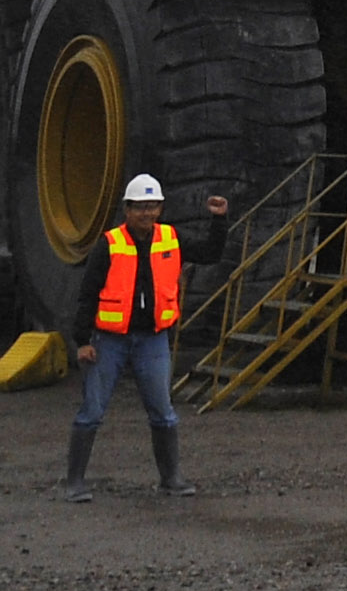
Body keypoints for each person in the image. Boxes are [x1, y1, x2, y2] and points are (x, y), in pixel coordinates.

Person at [66, 173, 228, 502]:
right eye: (140, 207)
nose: (147, 213)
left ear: (160, 208)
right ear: (127, 209)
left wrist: (219, 219)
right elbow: (88, 294)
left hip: (152, 340)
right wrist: (82, 340)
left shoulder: (171, 238)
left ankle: (171, 479)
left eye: (152, 206)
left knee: (163, 411)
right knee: (92, 410)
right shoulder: (109, 244)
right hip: (109, 340)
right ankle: (74, 483)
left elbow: (210, 252)